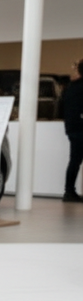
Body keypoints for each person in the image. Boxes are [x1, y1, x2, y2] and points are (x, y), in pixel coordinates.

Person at [64, 59, 83, 203]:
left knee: (75, 160)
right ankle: (69, 191)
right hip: (80, 127)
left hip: (72, 127)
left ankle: (69, 191)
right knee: (75, 160)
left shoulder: (71, 86)